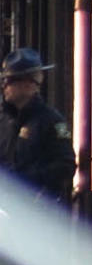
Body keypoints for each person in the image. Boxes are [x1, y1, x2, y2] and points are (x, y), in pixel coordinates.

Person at [0, 48, 74, 205]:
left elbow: (65, 166)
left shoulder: (52, 121)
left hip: (36, 212)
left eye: (9, 80)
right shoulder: (3, 122)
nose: (4, 86)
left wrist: (27, 181)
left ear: (29, 83)